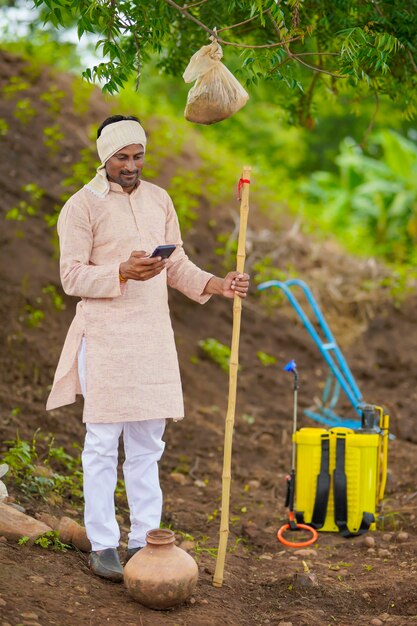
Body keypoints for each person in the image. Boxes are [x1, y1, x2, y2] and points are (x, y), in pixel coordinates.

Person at [46, 115, 250, 582]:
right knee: (101, 445)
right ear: (105, 158)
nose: (132, 165)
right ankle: (102, 544)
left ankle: (143, 540)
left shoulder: (160, 198)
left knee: (147, 446)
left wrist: (218, 284)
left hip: (153, 336)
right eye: (123, 158)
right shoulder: (82, 206)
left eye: (138, 156)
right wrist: (119, 271)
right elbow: (71, 275)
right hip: (104, 336)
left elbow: (175, 263)